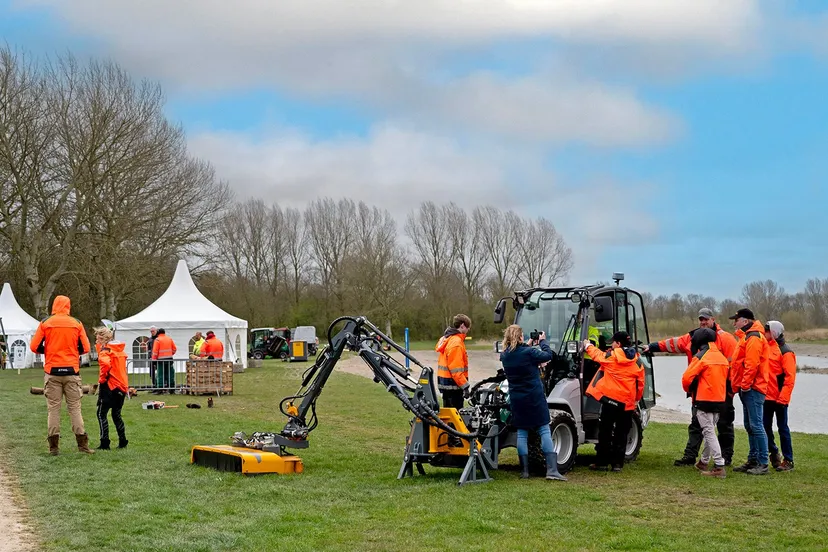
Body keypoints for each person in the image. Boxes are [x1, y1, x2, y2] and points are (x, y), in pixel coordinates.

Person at [645, 308, 738, 466]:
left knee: (724, 425)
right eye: (701, 319)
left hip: (722, 392)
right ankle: (691, 456)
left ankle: (725, 457)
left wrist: (731, 391)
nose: (703, 322)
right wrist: (652, 346)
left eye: (706, 319)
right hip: (701, 392)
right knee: (697, 425)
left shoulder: (726, 339)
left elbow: (735, 367)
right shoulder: (693, 337)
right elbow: (672, 343)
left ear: (713, 319)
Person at [499, 325, 566, 481]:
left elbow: (519, 353)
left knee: (522, 433)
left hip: (517, 398)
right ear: (520, 336)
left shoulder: (505, 355)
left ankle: (525, 471)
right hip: (534, 397)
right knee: (544, 429)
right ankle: (552, 470)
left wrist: (528, 343)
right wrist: (542, 342)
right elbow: (548, 355)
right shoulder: (529, 353)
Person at [29, 295, 94, 455]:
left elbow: (34, 346)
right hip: (72, 371)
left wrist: (48, 350)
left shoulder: (46, 323)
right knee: (75, 409)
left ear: (54, 305)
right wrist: (72, 351)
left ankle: (54, 447)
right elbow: (85, 348)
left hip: (52, 372)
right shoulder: (76, 323)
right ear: (68, 306)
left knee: (53, 409)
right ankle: (83, 445)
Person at [584, 331, 645, 472]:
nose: (611, 344)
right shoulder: (638, 361)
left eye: (613, 342)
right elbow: (640, 384)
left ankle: (602, 463)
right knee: (622, 433)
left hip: (610, 401)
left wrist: (587, 345)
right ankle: (618, 464)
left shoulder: (612, 356)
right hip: (627, 403)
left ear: (618, 343)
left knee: (605, 431)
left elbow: (597, 356)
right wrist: (636, 400)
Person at [680, 328, 729, 478]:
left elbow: (686, 378)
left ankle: (719, 466)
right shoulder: (722, 357)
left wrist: (690, 389)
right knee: (710, 431)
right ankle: (703, 461)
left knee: (708, 432)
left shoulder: (701, 357)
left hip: (704, 399)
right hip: (720, 400)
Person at [728, 308, 770, 475]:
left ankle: (762, 463)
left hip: (753, 388)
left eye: (736, 320)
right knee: (750, 425)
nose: (734, 323)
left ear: (745, 321)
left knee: (756, 425)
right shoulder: (748, 336)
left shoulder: (753, 338)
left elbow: (751, 365)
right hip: (749, 388)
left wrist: (745, 385)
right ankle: (753, 459)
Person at [763, 320, 796, 471]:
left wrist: (783, 399)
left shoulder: (786, 351)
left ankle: (788, 460)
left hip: (779, 398)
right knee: (764, 427)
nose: (764, 333)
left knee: (782, 428)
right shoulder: (766, 347)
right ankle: (774, 453)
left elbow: (790, 378)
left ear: (774, 332)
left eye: (767, 330)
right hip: (766, 396)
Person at [94, 327, 129, 450]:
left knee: (101, 413)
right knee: (116, 414)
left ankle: (105, 442)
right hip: (122, 386)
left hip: (110, 386)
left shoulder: (106, 351)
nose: (96, 341)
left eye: (97, 338)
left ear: (103, 339)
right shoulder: (119, 351)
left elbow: (105, 364)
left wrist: (102, 380)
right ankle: (123, 440)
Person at [435, 314, 471, 409]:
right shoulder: (456, 343)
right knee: (455, 418)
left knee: (448, 416)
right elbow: (456, 370)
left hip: (446, 385)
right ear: (462, 325)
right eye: (468, 327)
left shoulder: (448, 339)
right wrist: (465, 386)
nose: (468, 330)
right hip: (454, 387)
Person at [152, 328, 177, 394]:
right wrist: (170, 354)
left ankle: (160, 389)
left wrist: (154, 360)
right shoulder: (169, 339)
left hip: (160, 360)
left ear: (158, 333)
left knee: (160, 374)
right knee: (170, 374)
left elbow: (155, 352)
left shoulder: (157, 340)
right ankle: (172, 388)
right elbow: (174, 349)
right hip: (169, 359)